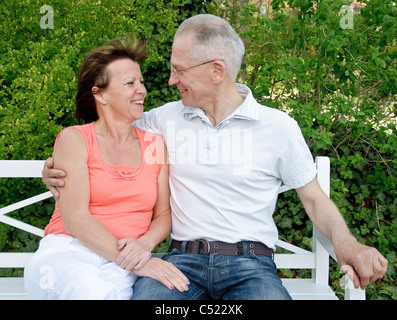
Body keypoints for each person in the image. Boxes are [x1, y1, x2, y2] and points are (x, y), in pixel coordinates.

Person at [42, 15, 388, 300]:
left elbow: (314, 199)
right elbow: (106, 133)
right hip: (182, 261)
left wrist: (348, 244)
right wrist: (57, 169)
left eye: (180, 70)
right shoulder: (163, 120)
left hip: (251, 266)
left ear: (217, 71)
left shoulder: (278, 127)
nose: (170, 79)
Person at [24, 35, 189, 300]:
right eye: (129, 83)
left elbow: (164, 214)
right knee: (94, 292)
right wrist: (139, 262)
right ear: (99, 94)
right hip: (69, 252)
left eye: (141, 82)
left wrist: (143, 246)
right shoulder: (75, 139)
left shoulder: (154, 144)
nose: (142, 90)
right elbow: (75, 219)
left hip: (122, 262)